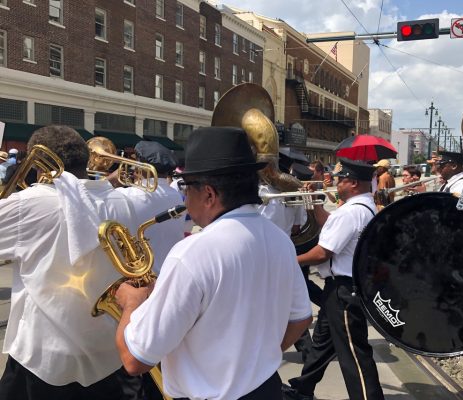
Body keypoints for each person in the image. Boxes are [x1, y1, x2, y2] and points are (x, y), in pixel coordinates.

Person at [114, 127, 312, 400]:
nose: (184, 199)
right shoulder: (279, 239)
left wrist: (131, 302)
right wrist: (254, 360)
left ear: (208, 194)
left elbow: (135, 360)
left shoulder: (192, 253)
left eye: (186, 187)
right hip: (265, 389)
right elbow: (301, 318)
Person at [0, 125, 137, 399]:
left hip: (45, 356)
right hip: (107, 350)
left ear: (38, 164)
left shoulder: (28, 203)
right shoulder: (123, 201)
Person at [283, 158, 385, 400]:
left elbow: (322, 253)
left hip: (344, 289)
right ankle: (302, 388)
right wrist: (314, 201)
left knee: (354, 353)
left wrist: (288, 261)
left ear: (352, 183)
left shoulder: (351, 212)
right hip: (340, 288)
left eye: (340, 179)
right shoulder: (363, 207)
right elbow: (328, 224)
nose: (336, 182)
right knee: (321, 343)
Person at [112, 141, 185, 274]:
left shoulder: (125, 196)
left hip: (139, 277)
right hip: (168, 272)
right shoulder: (176, 195)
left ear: (141, 166)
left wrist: (110, 179)